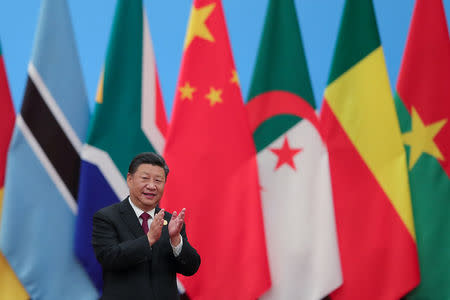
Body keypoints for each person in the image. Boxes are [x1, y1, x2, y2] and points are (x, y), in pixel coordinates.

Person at [92, 152, 201, 300]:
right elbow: (109, 257)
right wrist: (148, 239)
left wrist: (176, 240)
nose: (152, 186)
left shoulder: (171, 221)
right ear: (130, 179)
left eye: (158, 180)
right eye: (145, 179)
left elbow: (191, 267)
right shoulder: (107, 217)